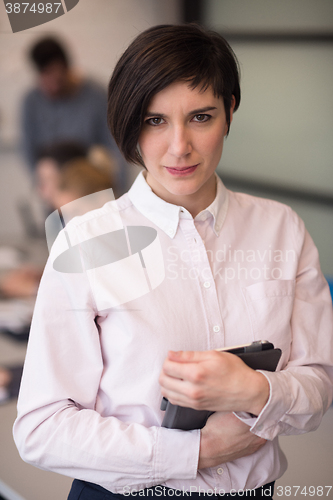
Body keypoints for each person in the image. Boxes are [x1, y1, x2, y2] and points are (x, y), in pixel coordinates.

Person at [13, 24, 333, 500]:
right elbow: (41, 429)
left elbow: (318, 389)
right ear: (127, 123)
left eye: (200, 117)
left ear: (229, 110)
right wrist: (194, 453)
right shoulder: (85, 242)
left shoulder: (282, 229)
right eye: (155, 120)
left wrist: (252, 391)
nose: (179, 146)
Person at [21, 37, 126, 190]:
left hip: (91, 189)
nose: (53, 87)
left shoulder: (95, 95)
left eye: (57, 79)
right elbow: (28, 151)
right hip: (56, 191)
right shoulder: (31, 101)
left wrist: (117, 192)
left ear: (68, 69)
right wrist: (46, 187)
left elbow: (115, 148)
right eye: (46, 79)